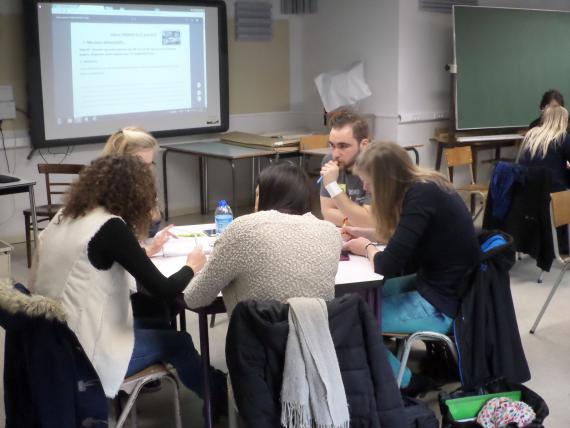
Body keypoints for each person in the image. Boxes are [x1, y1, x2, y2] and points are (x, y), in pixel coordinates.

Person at [29, 156, 227, 407]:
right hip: (84, 354)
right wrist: (191, 266)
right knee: (179, 342)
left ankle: (216, 385)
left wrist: (148, 251)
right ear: (134, 194)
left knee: (160, 324)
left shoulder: (65, 216)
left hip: (51, 342)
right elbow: (164, 290)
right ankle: (219, 397)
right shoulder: (109, 226)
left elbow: (97, 261)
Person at [342, 142, 479, 390]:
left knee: (352, 319)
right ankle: (383, 358)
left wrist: (365, 247)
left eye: (368, 181)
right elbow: (403, 237)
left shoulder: (421, 195)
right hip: (437, 285)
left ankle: (409, 383)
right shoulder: (424, 188)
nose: (365, 187)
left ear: (384, 180)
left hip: (443, 303)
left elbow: (386, 264)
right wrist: (362, 234)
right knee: (360, 298)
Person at [183, 162, 342, 315]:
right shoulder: (331, 232)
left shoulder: (243, 229)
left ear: (268, 197)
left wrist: (190, 268)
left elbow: (195, 298)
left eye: (258, 194)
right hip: (315, 338)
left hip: (257, 338)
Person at [320, 108, 374, 227]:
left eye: (343, 146)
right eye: (332, 146)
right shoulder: (329, 161)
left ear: (364, 145)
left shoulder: (377, 167)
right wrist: (357, 218)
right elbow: (327, 213)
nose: (335, 154)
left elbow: (369, 222)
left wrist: (332, 185)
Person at [519, 105, 570, 192]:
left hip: (526, 191)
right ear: (563, 121)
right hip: (552, 193)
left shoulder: (531, 134)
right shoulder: (563, 137)